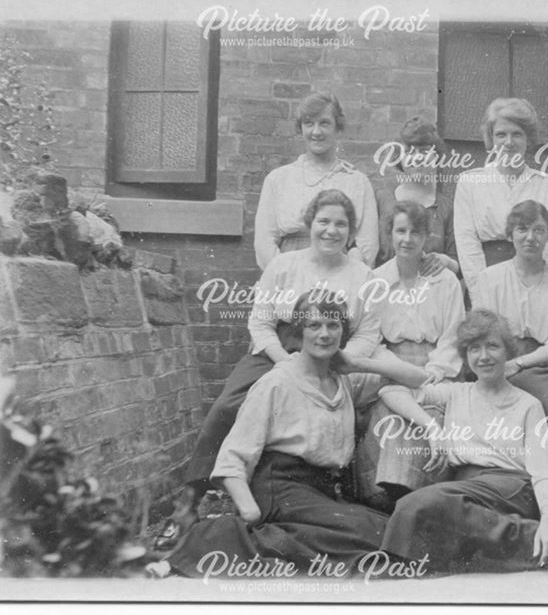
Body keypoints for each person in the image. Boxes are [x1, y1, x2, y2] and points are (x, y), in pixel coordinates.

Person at [157, 189, 381, 548]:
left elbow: (368, 332)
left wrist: (341, 361)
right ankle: (187, 506)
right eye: (323, 221)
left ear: (351, 232)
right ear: (310, 224)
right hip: (277, 351)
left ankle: (325, 504)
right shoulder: (284, 265)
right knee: (227, 407)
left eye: (341, 224)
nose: (331, 231)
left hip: (333, 357)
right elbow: (261, 323)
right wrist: (286, 363)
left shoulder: (363, 276)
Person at [151, 295, 428, 579]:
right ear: (299, 331)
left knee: (386, 530)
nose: (324, 334)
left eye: (333, 325)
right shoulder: (277, 382)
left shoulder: (343, 381)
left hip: (320, 492)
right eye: (313, 325)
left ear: (344, 331)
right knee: (376, 538)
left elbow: (419, 378)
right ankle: (220, 538)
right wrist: (249, 512)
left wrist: (357, 362)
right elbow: (234, 453)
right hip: (279, 487)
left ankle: (269, 543)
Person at [376, 309, 548, 573]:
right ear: (465, 356)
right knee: (440, 517)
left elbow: (544, 471)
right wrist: (432, 427)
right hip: (468, 488)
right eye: (474, 349)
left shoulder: (528, 404)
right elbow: (391, 390)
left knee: (416, 505)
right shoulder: (456, 394)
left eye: (493, 346)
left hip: (512, 487)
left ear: (507, 352)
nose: (484, 356)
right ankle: (532, 541)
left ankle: (542, 535)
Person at [354, 200, 466, 508]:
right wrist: (393, 369)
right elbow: (370, 337)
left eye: (415, 232)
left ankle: (411, 502)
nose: (407, 239)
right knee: (388, 419)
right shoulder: (375, 281)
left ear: (426, 237)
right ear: (389, 234)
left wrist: (433, 373)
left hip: (435, 371)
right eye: (400, 231)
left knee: (428, 420)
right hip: (388, 370)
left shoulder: (444, 281)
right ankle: (383, 499)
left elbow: (453, 335)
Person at [469, 200, 548, 474]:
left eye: (539, 230)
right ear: (510, 234)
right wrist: (505, 364)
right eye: (522, 229)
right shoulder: (490, 278)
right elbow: (483, 334)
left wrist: (521, 364)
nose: (530, 237)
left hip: (547, 366)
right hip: (500, 364)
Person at [254, 91, 379, 269]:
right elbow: (264, 243)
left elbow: (367, 245)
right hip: (288, 272)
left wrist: (348, 276)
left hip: (340, 273)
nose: (316, 132)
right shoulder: (278, 179)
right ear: (301, 128)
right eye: (309, 124)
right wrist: (285, 277)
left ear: (338, 127)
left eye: (325, 123)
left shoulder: (357, 182)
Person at [454, 97, 548, 291]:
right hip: (488, 277)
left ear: (528, 138)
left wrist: (541, 289)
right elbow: (467, 246)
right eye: (500, 134)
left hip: (535, 278)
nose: (508, 142)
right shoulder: (470, 182)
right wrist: (481, 293)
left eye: (517, 134)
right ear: (491, 138)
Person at [374, 116, 458, 274]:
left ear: (436, 156)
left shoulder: (447, 206)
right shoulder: (382, 200)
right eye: (409, 152)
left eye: (425, 152)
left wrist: (445, 261)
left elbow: (457, 264)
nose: (417, 158)